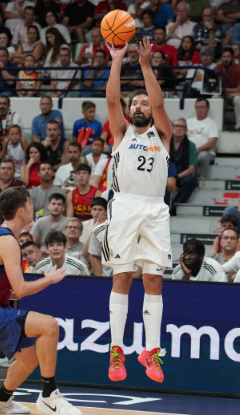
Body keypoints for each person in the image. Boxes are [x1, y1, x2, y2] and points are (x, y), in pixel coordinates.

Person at [0, 186, 82, 415]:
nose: (32, 207)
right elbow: (21, 289)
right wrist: (49, 279)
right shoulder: (8, 242)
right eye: (29, 204)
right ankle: (49, 396)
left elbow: (12, 292)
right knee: (49, 325)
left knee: (29, 358)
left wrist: (41, 282)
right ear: (20, 211)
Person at [104, 38, 173, 383]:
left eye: (144, 102)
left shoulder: (163, 133)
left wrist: (146, 66)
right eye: (136, 102)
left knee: (153, 279)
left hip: (155, 209)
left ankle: (151, 351)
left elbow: (160, 103)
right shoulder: (121, 132)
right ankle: (117, 351)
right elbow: (112, 99)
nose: (140, 105)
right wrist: (117, 60)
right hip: (125, 206)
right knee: (122, 276)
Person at [169, 118, 197, 215]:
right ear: (172, 129)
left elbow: (192, 167)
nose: (178, 129)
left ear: (186, 130)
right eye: (176, 126)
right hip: (166, 175)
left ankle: (174, 207)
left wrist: (178, 176)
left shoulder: (191, 145)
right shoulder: (165, 143)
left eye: (181, 126)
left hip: (181, 176)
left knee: (190, 180)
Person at [187, 97, 219, 177]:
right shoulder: (188, 122)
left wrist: (197, 150)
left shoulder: (212, 123)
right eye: (198, 107)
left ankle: (202, 181)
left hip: (205, 152)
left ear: (208, 108)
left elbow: (212, 143)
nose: (200, 109)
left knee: (202, 157)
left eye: (202, 107)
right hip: (188, 150)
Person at [214, 47, 240, 131]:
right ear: (221, 58)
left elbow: (239, 89)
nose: (226, 59)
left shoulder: (238, 68)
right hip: (222, 95)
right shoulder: (217, 68)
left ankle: (239, 126)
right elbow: (214, 88)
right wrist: (223, 91)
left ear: (232, 58)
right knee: (214, 98)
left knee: (238, 99)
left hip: (234, 95)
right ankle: (216, 126)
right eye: (224, 57)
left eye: (228, 57)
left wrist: (224, 90)